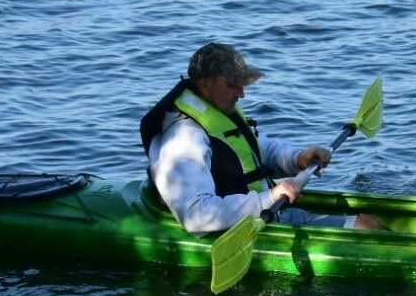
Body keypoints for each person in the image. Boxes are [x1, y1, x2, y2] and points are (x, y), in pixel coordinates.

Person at [140, 42, 334, 234]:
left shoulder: (218, 109)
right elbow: (197, 216)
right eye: (232, 84)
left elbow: (252, 150)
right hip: (242, 230)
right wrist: (268, 198)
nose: (241, 93)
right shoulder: (183, 138)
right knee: (363, 225)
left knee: (364, 221)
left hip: (267, 216)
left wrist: (297, 158)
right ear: (205, 82)